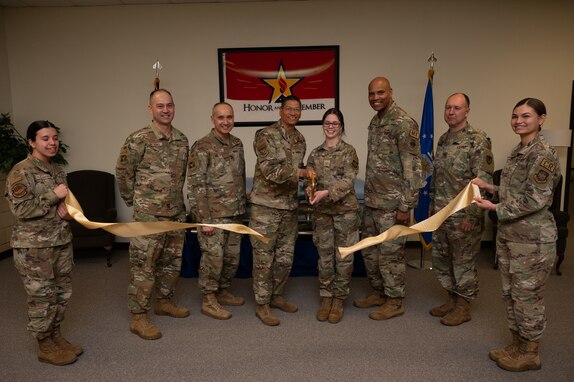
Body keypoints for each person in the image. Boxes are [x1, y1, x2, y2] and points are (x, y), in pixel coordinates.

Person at [473, 98, 559, 372]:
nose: (518, 121)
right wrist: (490, 186)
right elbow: (515, 192)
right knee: (511, 294)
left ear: (541, 119)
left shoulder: (542, 153)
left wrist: (495, 207)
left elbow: (536, 199)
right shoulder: (518, 150)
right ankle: (517, 345)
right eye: (514, 116)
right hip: (512, 238)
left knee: (528, 298)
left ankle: (531, 353)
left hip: (533, 241)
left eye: (526, 116)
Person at [116, 89, 190, 340]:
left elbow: (180, 178)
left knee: (171, 262)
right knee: (143, 266)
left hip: (175, 214)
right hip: (148, 217)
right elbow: (124, 175)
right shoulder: (138, 139)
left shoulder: (182, 140)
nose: (166, 110)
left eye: (169, 105)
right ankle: (138, 317)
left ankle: (164, 301)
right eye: (160, 106)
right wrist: (136, 203)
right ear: (150, 109)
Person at [6, 120, 81, 366]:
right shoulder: (21, 171)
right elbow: (22, 209)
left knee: (61, 293)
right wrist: (53, 196)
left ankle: (55, 335)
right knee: (42, 297)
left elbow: (63, 203)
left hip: (59, 240)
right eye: (45, 138)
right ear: (31, 142)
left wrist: (68, 210)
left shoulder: (57, 169)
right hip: (34, 248)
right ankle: (44, 344)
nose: (52, 143)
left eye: (54, 138)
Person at [354, 76, 422, 320]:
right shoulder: (376, 121)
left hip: (393, 205)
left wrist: (406, 206)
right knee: (370, 252)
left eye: (380, 93)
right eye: (372, 94)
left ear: (391, 92)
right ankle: (378, 292)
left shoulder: (403, 123)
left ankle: (395, 300)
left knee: (391, 255)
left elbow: (413, 169)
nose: (375, 98)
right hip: (373, 202)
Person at [249, 95, 315, 326]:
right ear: (280, 111)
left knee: (285, 258)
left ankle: (276, 296)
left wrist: (309, 185)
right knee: (263, 258)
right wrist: (300, 174)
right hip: (266, 208)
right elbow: (269, 170)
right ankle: (262, 304)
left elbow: (300, 171)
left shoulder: (300, 139)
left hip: (289, 207)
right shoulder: (265, 135)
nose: (293, 113)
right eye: (289, 109)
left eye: (297, 109)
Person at [429, 93, 494, 326]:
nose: (451, 112)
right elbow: (436, 177)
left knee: (463, 260)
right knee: (442, 257)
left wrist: (473, 215)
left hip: (464, 214)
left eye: (457, 108)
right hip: (443, 212)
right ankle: (452, 298)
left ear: (467, 111)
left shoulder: (478, 140)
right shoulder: (444, 139)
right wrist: (432, 207)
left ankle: (464, 306)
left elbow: (482, 180)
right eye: (448, 107)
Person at [187, 102, 246, 320]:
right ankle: (208, 299)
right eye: (220, 117)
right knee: (213, 258)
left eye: (229, 117)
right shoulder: (202, 146)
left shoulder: (237, 144)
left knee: (231, 257)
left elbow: (239, 178)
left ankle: (222, 290)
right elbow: (195, 185)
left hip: (235, 212)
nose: (225, 121)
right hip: (212, 216)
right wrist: (204, 219)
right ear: (212, 119)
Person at [306, 108, 360, 324]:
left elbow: (349, 180)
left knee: (343, 257)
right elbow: (310, 181)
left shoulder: (349, 152)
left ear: (341, 126)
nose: (330, 127)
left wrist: (327, 192)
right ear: (323, 125)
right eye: (327, 123)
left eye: (335, 123)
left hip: (345, 212)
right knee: (325, 257)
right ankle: (326, 297)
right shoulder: (314, 154)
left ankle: (338, 299)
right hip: (322, 214)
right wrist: (310, 190)